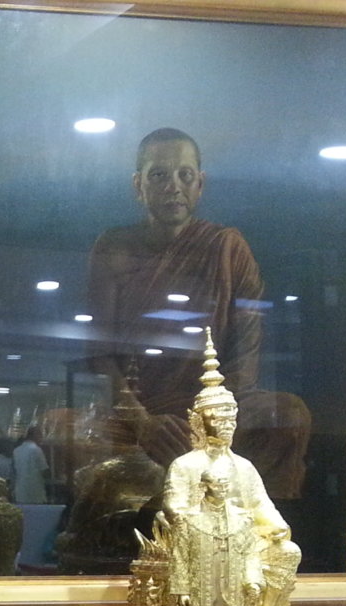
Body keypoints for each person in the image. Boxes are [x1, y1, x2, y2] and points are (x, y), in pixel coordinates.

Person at [88, 128, 309, 497]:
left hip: (212, 411)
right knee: (63, 429)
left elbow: (244, 361)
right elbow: (100, 356)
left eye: (185, 175)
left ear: (200, 184)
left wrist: (205, 426)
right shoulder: (114, 249)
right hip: (139, 414)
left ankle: (257, 526)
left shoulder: (228, 249)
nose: (173, 186)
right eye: (159, 175)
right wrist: (144, 424)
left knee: (289, 414)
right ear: (138, 185)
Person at [162, 339, 300, 606]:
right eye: (217, 418)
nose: (225, 424)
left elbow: (262, 506)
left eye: (230, 418)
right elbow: (174, 507)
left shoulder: (244, 467)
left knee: (288, 551)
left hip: (241, 541)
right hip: (201, 540)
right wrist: (202, 519)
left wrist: (276, 528)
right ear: (199, 421)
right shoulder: (186, 465)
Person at [11, 425, 50, 504]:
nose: (41, 439)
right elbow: (44, 470)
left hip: (20, 493)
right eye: (40, 436)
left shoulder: (16, 451)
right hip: (35, 493)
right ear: (35, 435)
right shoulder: (37, 450)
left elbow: (14, 471)